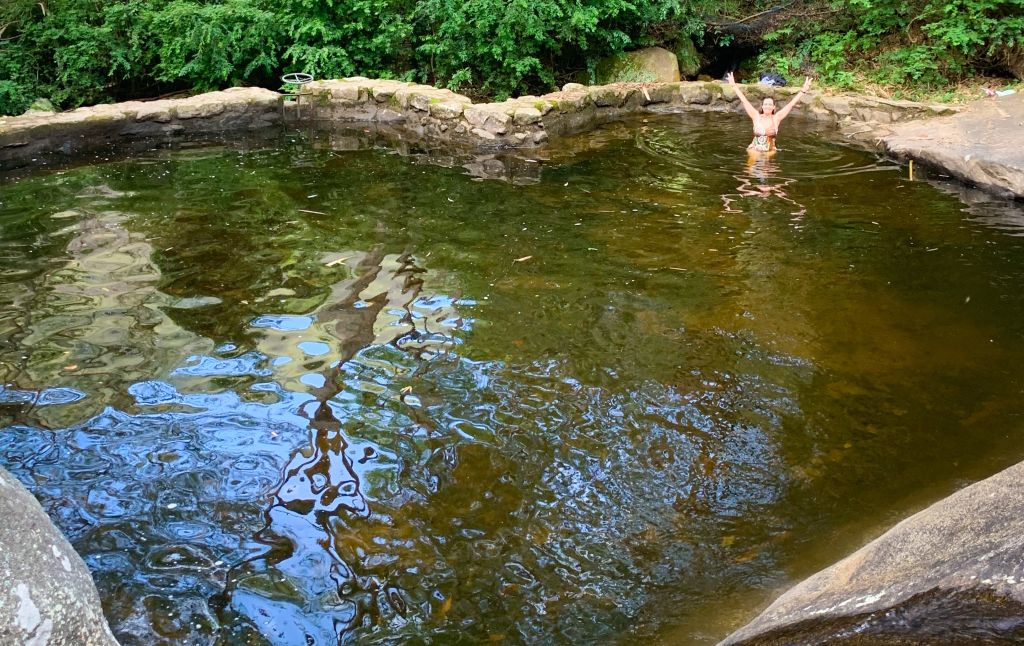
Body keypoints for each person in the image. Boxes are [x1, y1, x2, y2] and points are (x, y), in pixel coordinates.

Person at [725, 72, 813, 153]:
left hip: (770, 151)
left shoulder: (776, 118)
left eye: (770, 104)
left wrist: (803, 91)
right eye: (766, 104)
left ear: (773, 107)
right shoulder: (756, 116)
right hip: (754, 149)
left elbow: (790, 105)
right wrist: (733, 85)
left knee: (767, 168)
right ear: (762, 106)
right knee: (751, 168)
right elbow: (744, 101)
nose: (768, 106)